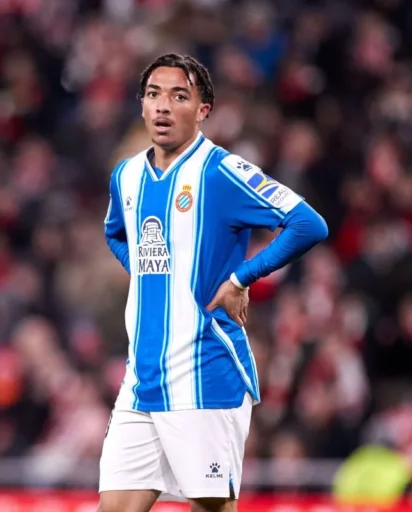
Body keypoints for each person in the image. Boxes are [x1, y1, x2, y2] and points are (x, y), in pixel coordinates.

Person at [99, 54, 328, 512]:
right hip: (142, 379)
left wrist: (242, 277)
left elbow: (308, 223)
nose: (163, 107)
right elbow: (114, 233)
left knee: (211, 509)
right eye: (153, 95)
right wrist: (155, 273)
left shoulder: (222, 172)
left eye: (179, 96)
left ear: (204, 109)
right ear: (141, 105)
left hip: (204, 374)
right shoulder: (126, 175)